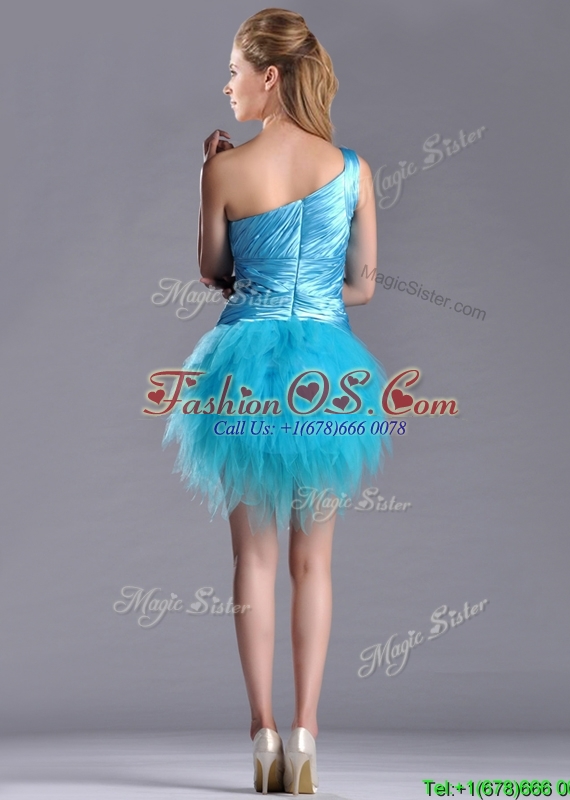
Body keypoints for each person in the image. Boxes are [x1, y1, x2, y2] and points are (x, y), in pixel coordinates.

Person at [162, 8, 391, 795]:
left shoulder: (223, 170)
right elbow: (363, 287)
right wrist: (315, 299)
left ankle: (261, 733)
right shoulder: (354, 170)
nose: (226, 86)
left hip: (242, 371)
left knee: (252, 559)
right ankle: (306, 734)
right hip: (325, 375)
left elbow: (212, 273)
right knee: (312, 562)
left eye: (234, 71)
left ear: (270, 75)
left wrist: (209, 175)